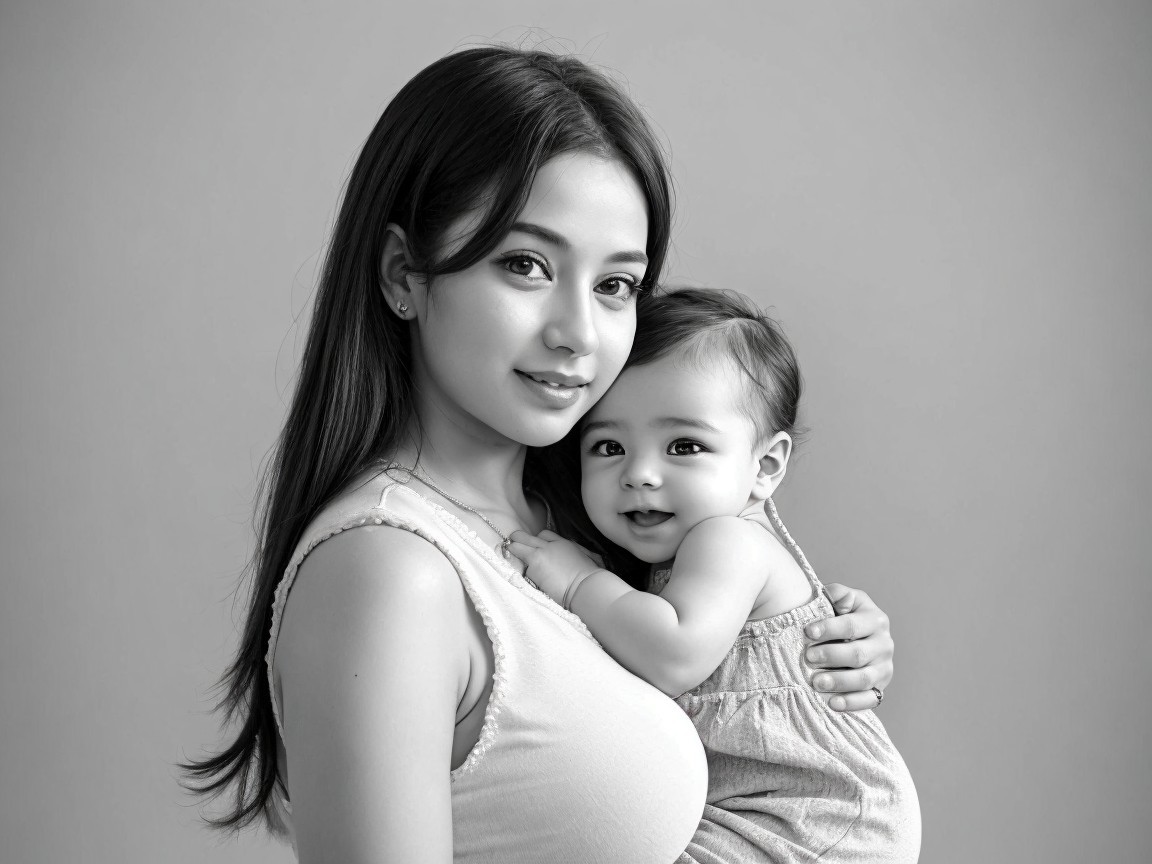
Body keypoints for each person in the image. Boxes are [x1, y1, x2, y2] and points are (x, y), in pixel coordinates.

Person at [183, 47, 898, 863]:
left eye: (615, 285)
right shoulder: (390, 575)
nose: (579, 334)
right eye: (525, 265)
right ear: (403, 274)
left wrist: (821, 643)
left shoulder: (590, 509)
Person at [508, 287, 920, 863]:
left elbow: (673, 654)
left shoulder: (726, 540)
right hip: (773, 811)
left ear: (765, 466)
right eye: (608, 446)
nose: (639, 473)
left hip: (810, 817)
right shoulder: (686, 547)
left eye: (683, 445)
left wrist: (580, 583)